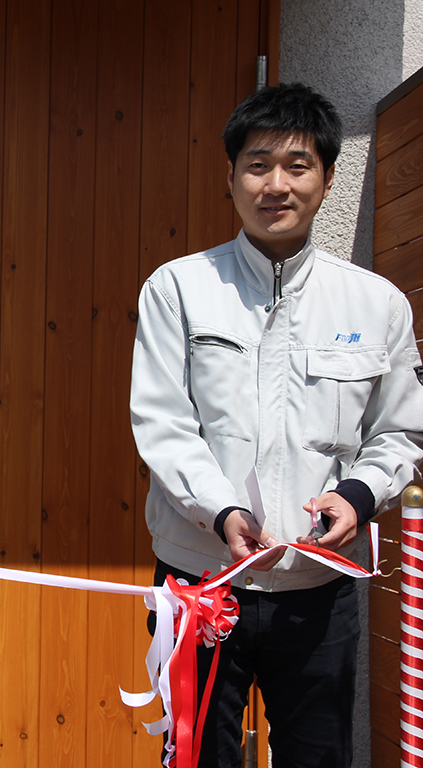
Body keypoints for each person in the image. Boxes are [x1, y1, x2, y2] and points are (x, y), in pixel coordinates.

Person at [130, 83, 423, 767]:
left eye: (298, 164)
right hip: (200, 585)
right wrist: (223, 510)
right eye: (258, 164)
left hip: (317, 593)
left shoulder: (376, 303)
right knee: (198, 759)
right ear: (230, 177)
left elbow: (400, 433)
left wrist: (356, 496)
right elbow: (163, 425)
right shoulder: (178, 287)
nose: (276, 183)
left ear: (325, 178)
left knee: (318, 758)